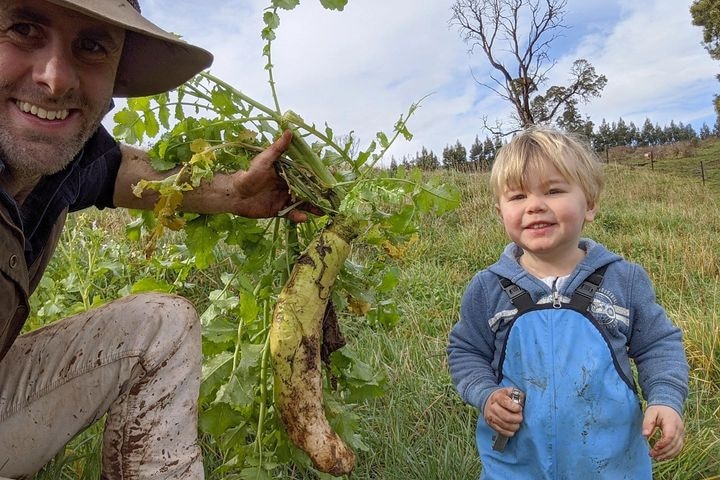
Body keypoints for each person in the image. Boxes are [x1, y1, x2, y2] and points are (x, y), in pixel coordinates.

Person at [0, 0, 308, 478]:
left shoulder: (62, 162)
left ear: (116, 77)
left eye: (92, 46)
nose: (55, 78)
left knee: (160, 326)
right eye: (22, 29)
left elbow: (119, 171)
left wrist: (235, 191)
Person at [447, 126, 689, 479]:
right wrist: (486, 395)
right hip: (516, 467)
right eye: (517, 197)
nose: (535, 206)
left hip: (611, 467)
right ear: (500, 213)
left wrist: (666, 399)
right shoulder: (487, 288)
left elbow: (658, 345)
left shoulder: (624, 279)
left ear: (589, 204)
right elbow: (466, 351)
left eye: (554, 190)